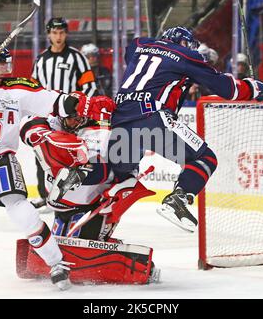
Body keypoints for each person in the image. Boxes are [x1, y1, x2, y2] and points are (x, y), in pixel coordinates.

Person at [0, 41, 113, 290]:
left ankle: (56, 263)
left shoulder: (19, 89)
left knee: (21, 209)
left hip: (1, 159)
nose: (5, 69)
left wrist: (84, 103)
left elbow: (58, 102)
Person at [108, 26, 263, 232]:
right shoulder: (186, 55)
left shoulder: (140, 44)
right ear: (183, 44)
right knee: (205, 158)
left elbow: (131, 52)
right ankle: (178, 200)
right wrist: (252, 87)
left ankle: (97, 225)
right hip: (152, 118)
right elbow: (226, 88)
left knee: (121, 179)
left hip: (119, 119)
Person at [19, 107, 160, 284]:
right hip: (64, 202)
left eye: (78, 118)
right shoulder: (53, 123)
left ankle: (135, 265)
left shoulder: (100, 134)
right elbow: (27, 124)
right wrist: (42, 134)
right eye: (70, 118)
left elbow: (123, 170)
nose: (74, 122)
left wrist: (114, 187)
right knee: (64, 241)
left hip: (95, 202)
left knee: (88, 243)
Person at [31, 17, 98, 213]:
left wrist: (77, 112)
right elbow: (33, 89)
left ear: (66, 33)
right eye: (54, 32)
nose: (58, 36)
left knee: (69, 155)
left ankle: (69, 196)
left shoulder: (77, 57)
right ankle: (46, 196)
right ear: (49, 34)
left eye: (61, 32)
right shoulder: (40, 59)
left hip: (70, 119)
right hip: (46, 115)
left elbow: (90, 88)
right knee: (41, 155)